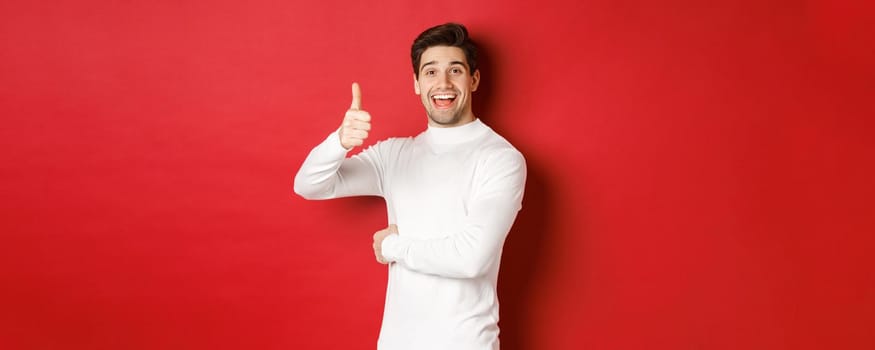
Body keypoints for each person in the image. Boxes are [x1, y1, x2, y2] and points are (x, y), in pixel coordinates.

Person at [294, 23, 526, 350]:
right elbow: (309, 185)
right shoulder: (394, 154)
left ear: (473, 79)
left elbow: (471, 258)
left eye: (455, 70)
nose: (442, 83)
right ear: (417, 83)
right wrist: (340, 142)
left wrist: (393, 248)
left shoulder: (500, 159)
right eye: (430, 72)